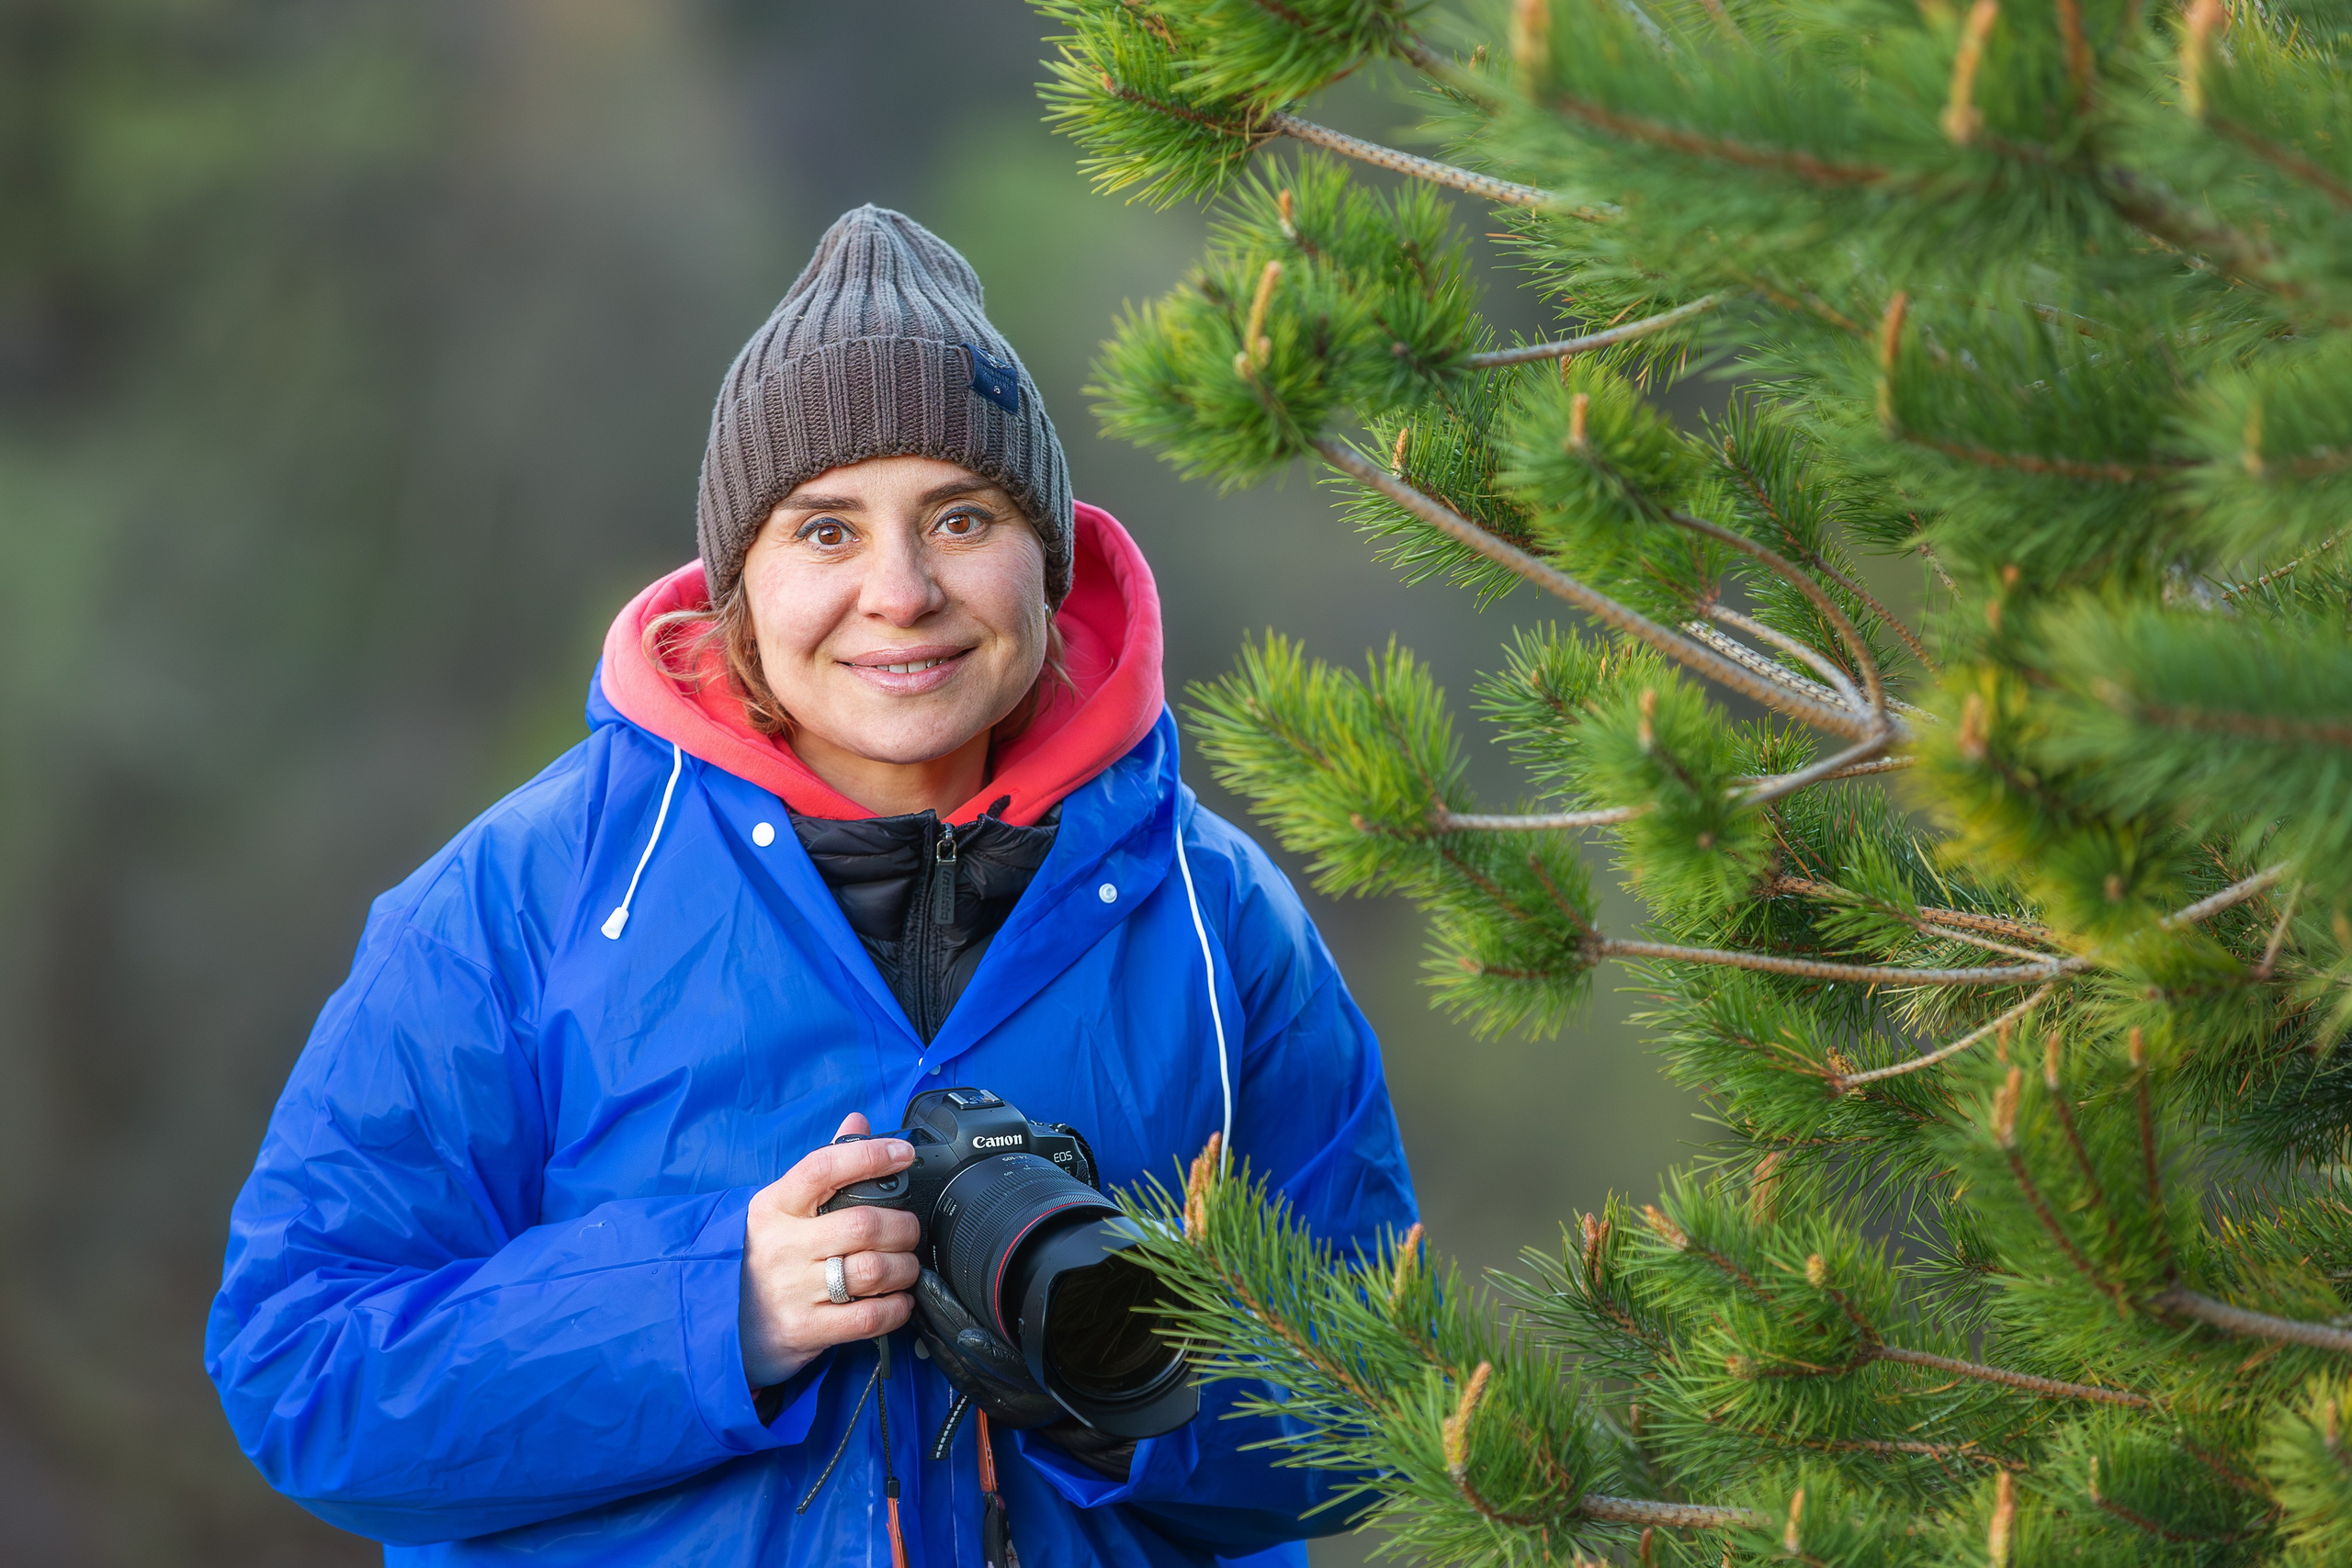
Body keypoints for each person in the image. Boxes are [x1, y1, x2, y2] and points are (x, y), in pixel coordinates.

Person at [205, 206, 1417, 1567]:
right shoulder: (525, 899)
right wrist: (712, 1310)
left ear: (1047, 556)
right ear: (739, 582)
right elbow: (302, 1369)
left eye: (962, 517)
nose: (900, 592)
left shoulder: (1214, 915)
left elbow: (1383, 1400)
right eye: (825, 530)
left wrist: (1123, 1405)